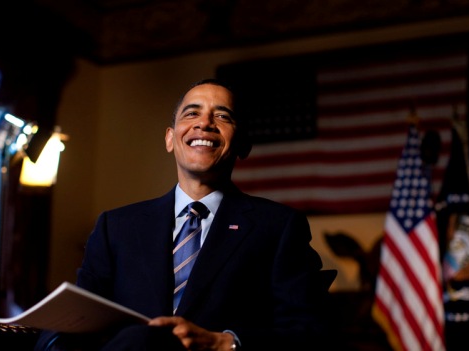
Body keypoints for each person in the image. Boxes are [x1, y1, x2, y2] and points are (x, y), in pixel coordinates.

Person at [35, 78, 328, 351]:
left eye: (223, 116)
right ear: (170, 138)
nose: (205, 123)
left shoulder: (278, 226)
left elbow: (311, 332)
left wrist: (222, 343)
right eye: (192, 113)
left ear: (241, 144)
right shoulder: (116, 227)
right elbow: (73, 319)